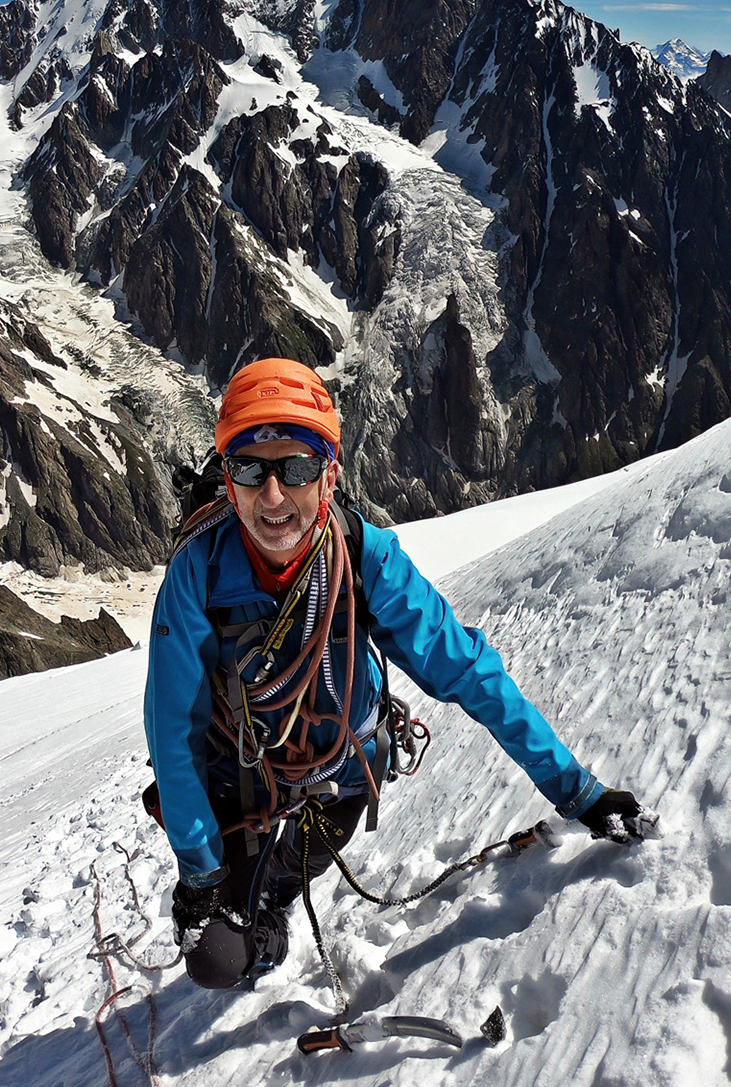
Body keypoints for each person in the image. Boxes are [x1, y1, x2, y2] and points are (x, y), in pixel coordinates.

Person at [143, 357, 648, 989]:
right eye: (249, 468)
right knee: (217, 959)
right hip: (238, 780)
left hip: (342, 768)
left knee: (302, 855)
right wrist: (200, 872)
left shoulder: (363, 560)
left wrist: (578, 792)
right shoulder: (197, 574)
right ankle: (258, 919)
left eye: (296, 468)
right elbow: (173, 731)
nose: (273, 496)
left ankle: (276, 891)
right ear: (227, 477)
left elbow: (468, 671)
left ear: (329, 476)